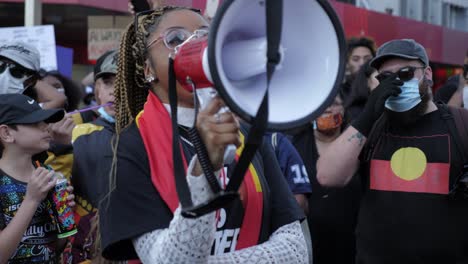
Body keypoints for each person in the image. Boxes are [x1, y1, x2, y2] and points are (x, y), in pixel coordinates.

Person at [99, 6, 307, 263]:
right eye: (175, 39)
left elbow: (296, 250)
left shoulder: (247, 137)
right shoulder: (129, 146)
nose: (196, 45)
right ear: (147, 69)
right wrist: (204, 170)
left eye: (206, 36)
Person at [317, 38, 468, 263]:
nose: (396, 83)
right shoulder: (371, 128)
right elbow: (328, 176)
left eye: (406, 73)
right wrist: (368, 115)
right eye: (386, 78)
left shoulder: (461, 125)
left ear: (427, 74)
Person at [0, 93, 75, 263]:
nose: (46, 127)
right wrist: (32, 200)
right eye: (34, 123)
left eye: (46, 121)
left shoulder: (46, 172)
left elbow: (55, 247)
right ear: (6, 133)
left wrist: (64, 213)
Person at [291, 94, 361, 264]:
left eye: (335, 103)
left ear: (344, 110)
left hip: (353, 243)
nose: (328, 109)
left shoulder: (358, 144)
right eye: (322, 104)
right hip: (310, 244)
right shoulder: (294, 146)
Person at [70, 50, 118, 263]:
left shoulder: (154, 132)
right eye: (107, 82)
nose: (115, 91)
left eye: (123, 81)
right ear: (97, 89)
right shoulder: (77, 133)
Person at [0, 41, 66, 109]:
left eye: (17, 71)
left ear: (31, 80)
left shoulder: (27, 113)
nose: (3, 76)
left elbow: (58, 99)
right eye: (0, 65)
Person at [341, 37, 376, 103]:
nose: (362, 63)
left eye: (367, 59)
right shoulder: (340, 91)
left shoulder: (380, 87)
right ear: (347, 64)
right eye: (355, 59)